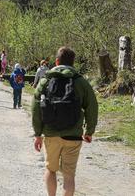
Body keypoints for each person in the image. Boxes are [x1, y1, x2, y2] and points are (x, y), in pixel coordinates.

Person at [32, 47, 98, 196]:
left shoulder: (46, 80)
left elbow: (36, 109)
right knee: (69, 176)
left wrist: (37, 134)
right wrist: (89, 131)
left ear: (56, 61)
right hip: (73, 135)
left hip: (51, 133)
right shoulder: (81, 82)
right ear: (73, 63)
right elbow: (92, 106)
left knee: (50, 169)